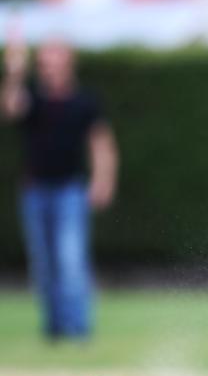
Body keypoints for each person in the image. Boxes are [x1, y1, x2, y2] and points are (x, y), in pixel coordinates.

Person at [1, 33, 119, 340]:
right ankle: (53, 329)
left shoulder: (85, 101)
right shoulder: (34, 100)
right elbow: (11, 109)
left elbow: (101, 143)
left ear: (69, 63)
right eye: (44, 60)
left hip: (70, 190)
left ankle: (78, 329)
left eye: (54, 59)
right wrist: (14, 73)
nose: (48, 66)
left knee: (71, 261)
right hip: (35, 190)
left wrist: (102, 179)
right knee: (43, 264)